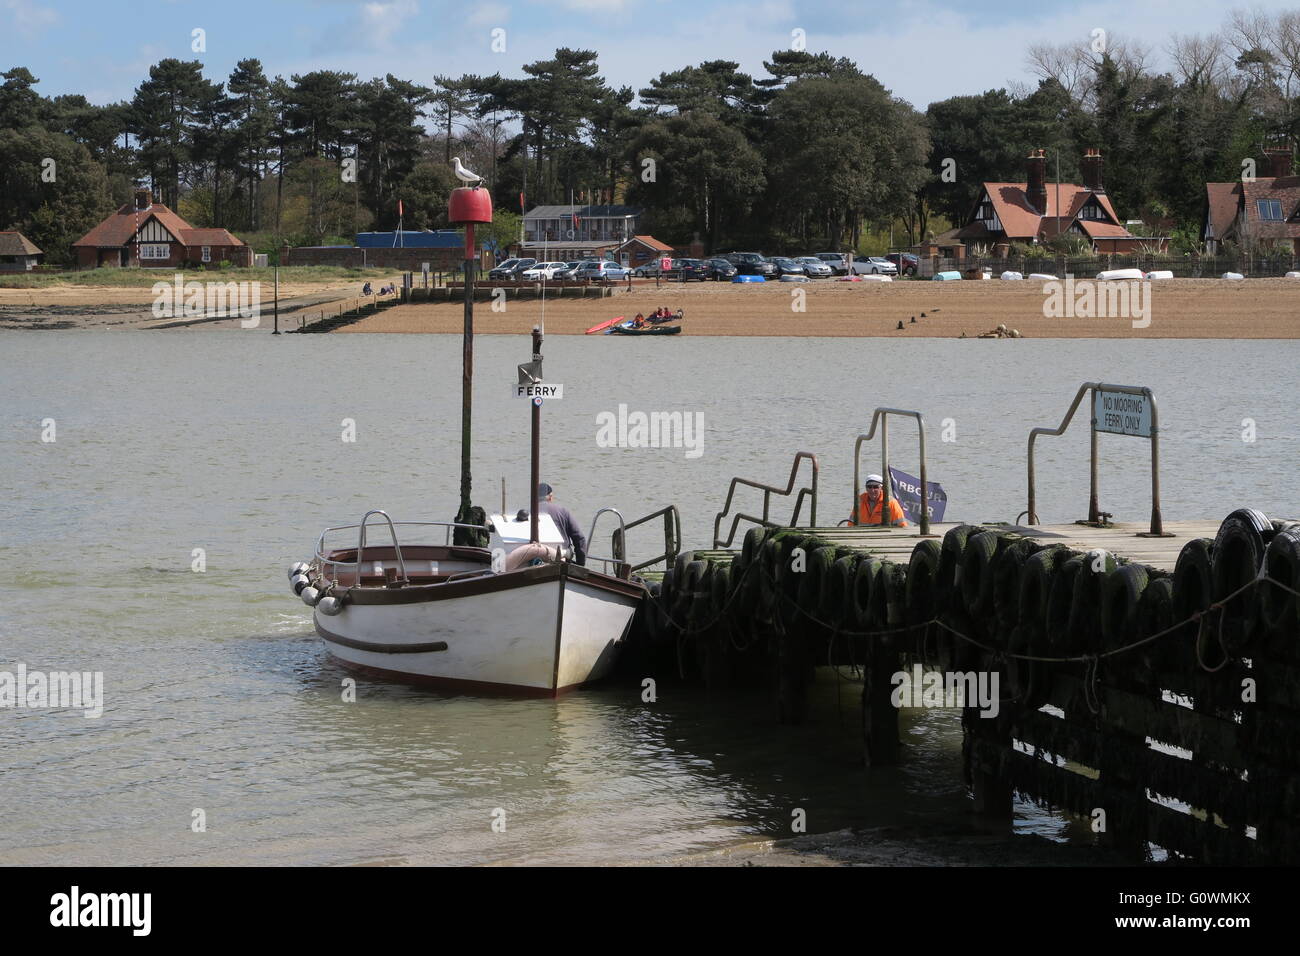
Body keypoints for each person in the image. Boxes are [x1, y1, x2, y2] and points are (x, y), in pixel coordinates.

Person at [538, 482, 587, 565]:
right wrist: (580, 565)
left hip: (535, 562)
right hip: (562, 560)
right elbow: (579, 538)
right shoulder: (562, 511)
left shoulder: (527, 512)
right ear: (550, 497)